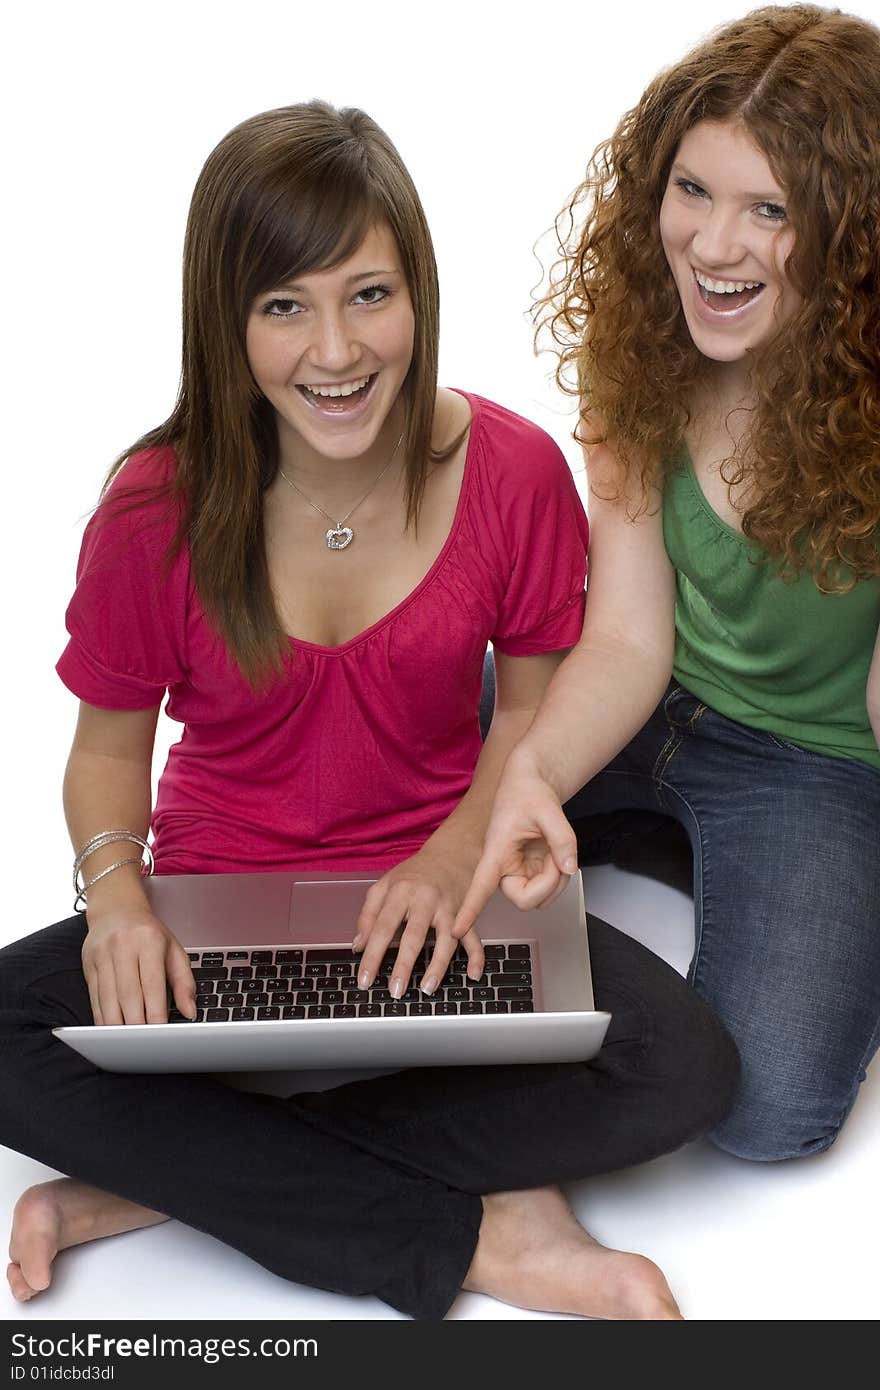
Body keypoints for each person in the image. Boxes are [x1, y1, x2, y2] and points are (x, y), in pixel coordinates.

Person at [0, 101, 737, 1321]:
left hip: (445, 911)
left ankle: (157, 1182)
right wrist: (119, 899)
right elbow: (105, 753)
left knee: (687, 1068)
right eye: (283, 304)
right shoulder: (151, 507)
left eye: (369, 294)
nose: (335, 350)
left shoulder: (508, 470)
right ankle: (484, 1233)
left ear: (419, 291)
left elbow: (532, 722)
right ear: (223, 320)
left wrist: (455, 858)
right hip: (216, 915)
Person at [456, 3, 880, 1166]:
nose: (712, 245)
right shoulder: (642, 340)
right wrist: (533, 769)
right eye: (692, 190)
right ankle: (643, 841)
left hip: (816, 762)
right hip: (644, 699)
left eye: (770, 209)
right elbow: (630, 637)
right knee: (387, 791)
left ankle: (688, 874)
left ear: (851, 236)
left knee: (766, 1108)